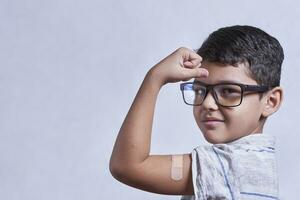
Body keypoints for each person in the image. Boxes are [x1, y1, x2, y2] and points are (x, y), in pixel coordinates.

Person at [109, 25, 284, 200]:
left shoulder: (232, 165)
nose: (208, 103)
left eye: (228, 91)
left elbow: (127, 166)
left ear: (271, 101)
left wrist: (155, 78)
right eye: (200, 90)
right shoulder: (257, 162)